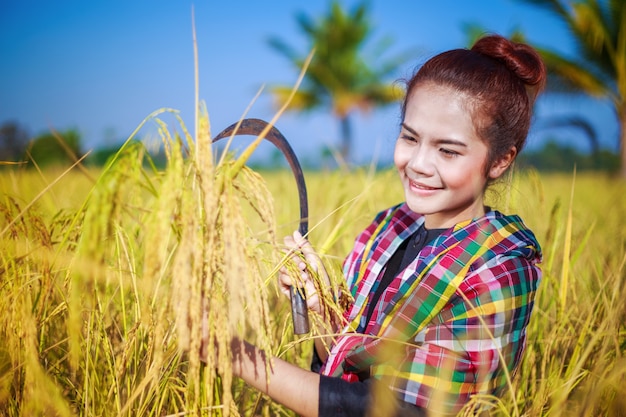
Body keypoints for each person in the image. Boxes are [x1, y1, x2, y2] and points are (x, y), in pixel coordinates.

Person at [221, 33, 546, 416]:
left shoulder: (499, 269)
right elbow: (346, 365)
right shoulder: (388, 228)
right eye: (410, 138)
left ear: (499, 161)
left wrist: (229, 352)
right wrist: (319, 301)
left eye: (448, 150)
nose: (419, 163)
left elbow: (393, 409)